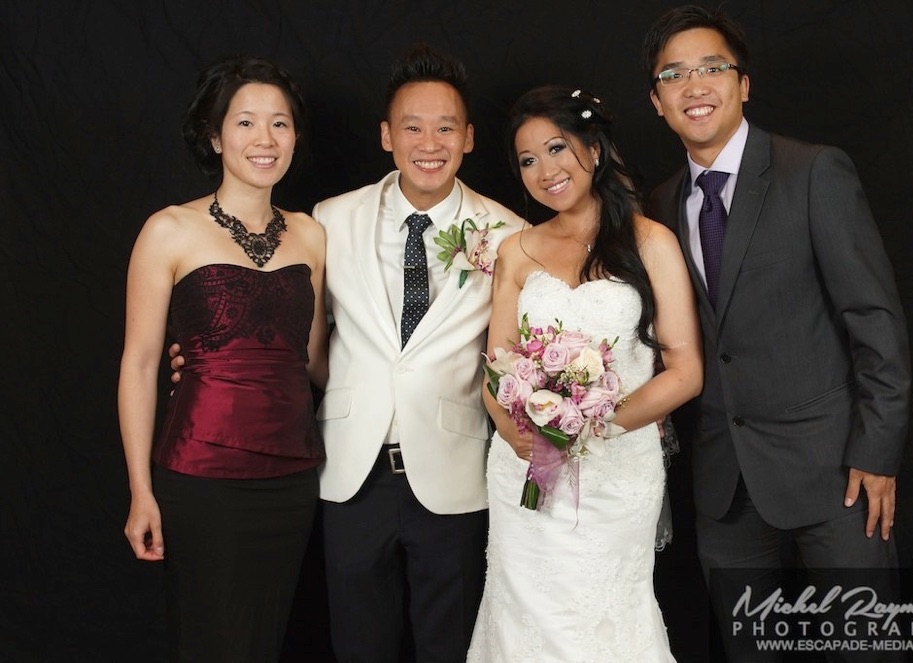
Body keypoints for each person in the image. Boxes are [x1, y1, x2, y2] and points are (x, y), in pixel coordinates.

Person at [641, 6, 911, 660]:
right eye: (674, 75)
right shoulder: (657, 206)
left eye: (711, 68)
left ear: (743, 84)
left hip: (834, 471)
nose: (694, 86)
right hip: (723, 482)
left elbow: (873, 319)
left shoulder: (812, 172)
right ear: (656, 101)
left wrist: (876, 450)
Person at [467, 85, 702, 661]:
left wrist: (592, 425)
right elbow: (496, 368)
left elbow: (686, 371)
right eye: (527, 160)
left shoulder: (651, 242)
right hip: (525, 472)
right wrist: (510, 428)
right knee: (523, 621)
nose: (545, 170)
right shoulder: (517, 251)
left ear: (593, 149)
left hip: (615, 472)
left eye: (557, 148)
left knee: (603, 622)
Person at [311, 44, 525, 661]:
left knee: (451, 643)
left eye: (445, 127)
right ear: (386, 135)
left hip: (454, 473)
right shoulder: (331, 219)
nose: (428, 142)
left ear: (469, 138)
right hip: (351, 473)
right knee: (358, 644)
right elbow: (294, 325)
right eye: (412, 126)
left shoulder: (508, 233)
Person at [119, 56, 327, 662]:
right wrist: (140, 490)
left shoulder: (310, 235)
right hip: (200, 474)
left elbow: (312, 360)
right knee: (211, 642)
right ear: (214, 136)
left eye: (280, 124)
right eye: (245, 123)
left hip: (291, 475)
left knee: (265, 639)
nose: (265, 140)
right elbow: (139, 364)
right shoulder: (169, 230)